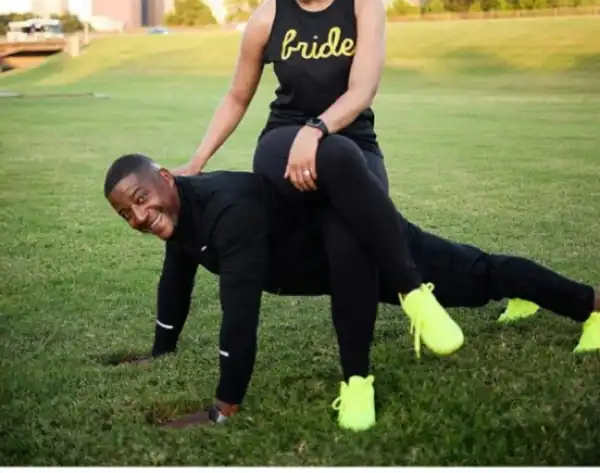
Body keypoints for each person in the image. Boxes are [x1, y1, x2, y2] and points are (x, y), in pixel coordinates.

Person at [172, 0, 465, 397]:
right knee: (339, 157)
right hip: (282, 147)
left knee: (350, 238)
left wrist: (320, 128)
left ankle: (357, 384)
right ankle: (412, 288)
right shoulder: (268, 16)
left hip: (350, 143)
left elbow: (363, 88)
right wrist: (197, 161)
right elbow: (237, 96)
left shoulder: (363, 4)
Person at [104, 153, 600, 431]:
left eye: (142, 200)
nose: (140, 217)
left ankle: (589, 304)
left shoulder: (225, 211)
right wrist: (159, 352)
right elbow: (175, 280)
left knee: (479, 274)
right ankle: (517, 294)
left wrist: (222, 408)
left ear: (166, 178)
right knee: (469, 283)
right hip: (339, 269)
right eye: (127, 214)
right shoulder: (182, 215)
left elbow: (239, 315)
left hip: (367, 245)